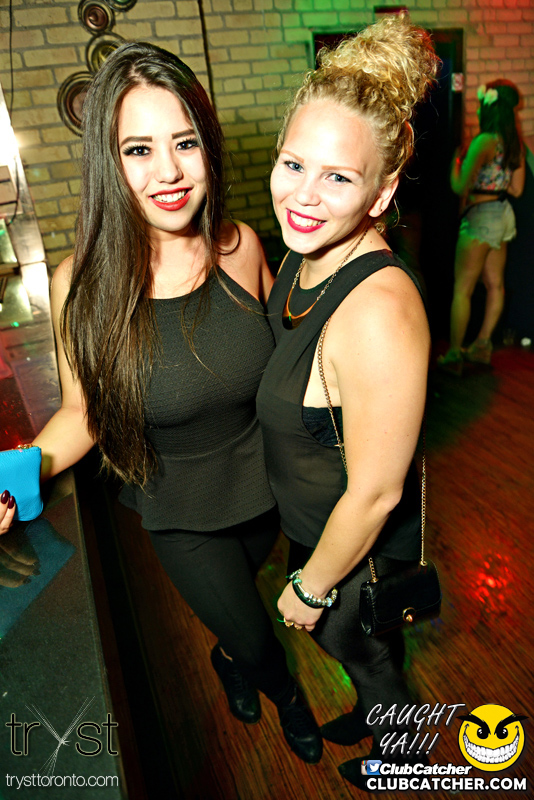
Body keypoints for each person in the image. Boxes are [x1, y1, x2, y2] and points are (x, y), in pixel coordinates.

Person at [0, 42, 322, 764]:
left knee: (237, 610)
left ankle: (232, 657)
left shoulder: (240, 247)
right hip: (180, 508)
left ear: (209, 146)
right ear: (108, 163)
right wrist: (12, 476)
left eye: (185, 142)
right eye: (138, 149)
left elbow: (285, 368)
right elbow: (83, 413)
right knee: (255, 632)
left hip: (267, 488)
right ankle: (287, 695)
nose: (169, 171)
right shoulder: (80, 285)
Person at [256, 15, 439, 791]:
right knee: (360, 649)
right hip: (315, 523)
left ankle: (408, 756)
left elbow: (375, 492)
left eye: (337, 178)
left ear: (383, 190)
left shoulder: (377, 311)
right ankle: (374, 712)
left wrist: (308, 587)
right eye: (294, 163)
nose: (303, 195)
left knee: (359, 646)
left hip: (355, 541)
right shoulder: (306, 254)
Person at [438, 80, 525, 374]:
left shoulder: (484, 141)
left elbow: (459, 186)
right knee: (495, 285)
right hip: (502, 215)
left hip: (480, 219)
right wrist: (496, 180)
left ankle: (453, 354)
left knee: (462, 289)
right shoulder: (513, 142)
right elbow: (517, 189)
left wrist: (455, 162)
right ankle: (482, 346)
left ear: (488, 108)